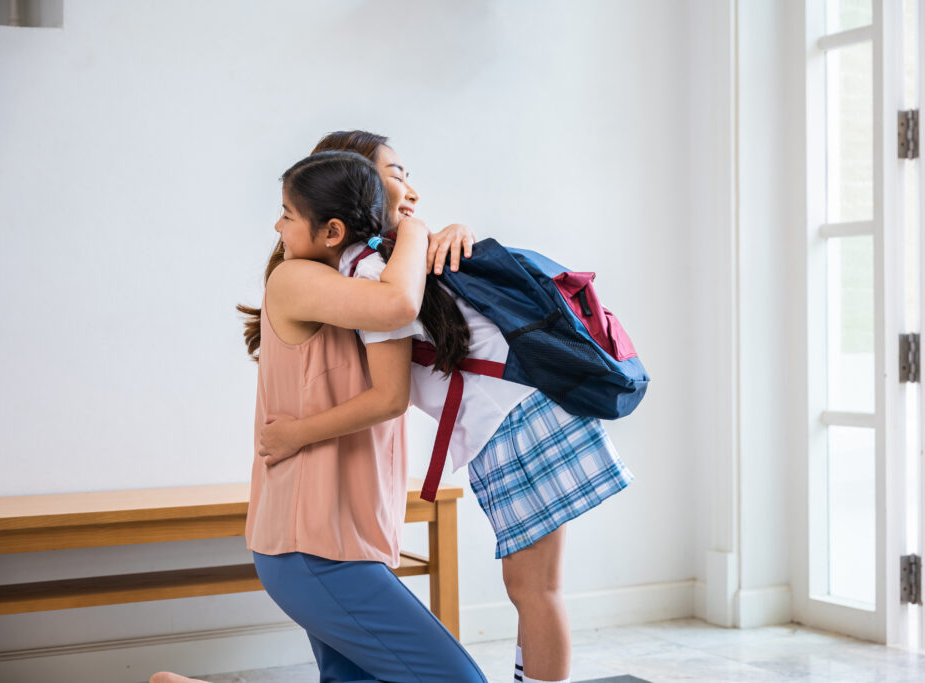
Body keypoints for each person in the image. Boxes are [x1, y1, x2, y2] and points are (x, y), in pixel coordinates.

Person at [260, 131, 635, 683]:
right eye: (395, 175)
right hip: (512, 420)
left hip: (516, 418)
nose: (410, 190)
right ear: (354, 189)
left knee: (534, 589)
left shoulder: (392, 261)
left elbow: (398, 348)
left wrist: (432, 231)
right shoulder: (374, 267)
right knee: (534, 588)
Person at [151, 152, 486, 683]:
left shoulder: (362, 277)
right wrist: (419, 228)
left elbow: (400, 353)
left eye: (285, 212)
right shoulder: (296, 280)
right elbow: (397, 310)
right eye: (396, 174)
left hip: (342, 541)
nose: (276, 225)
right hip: (313, 546)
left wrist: (452, 232)